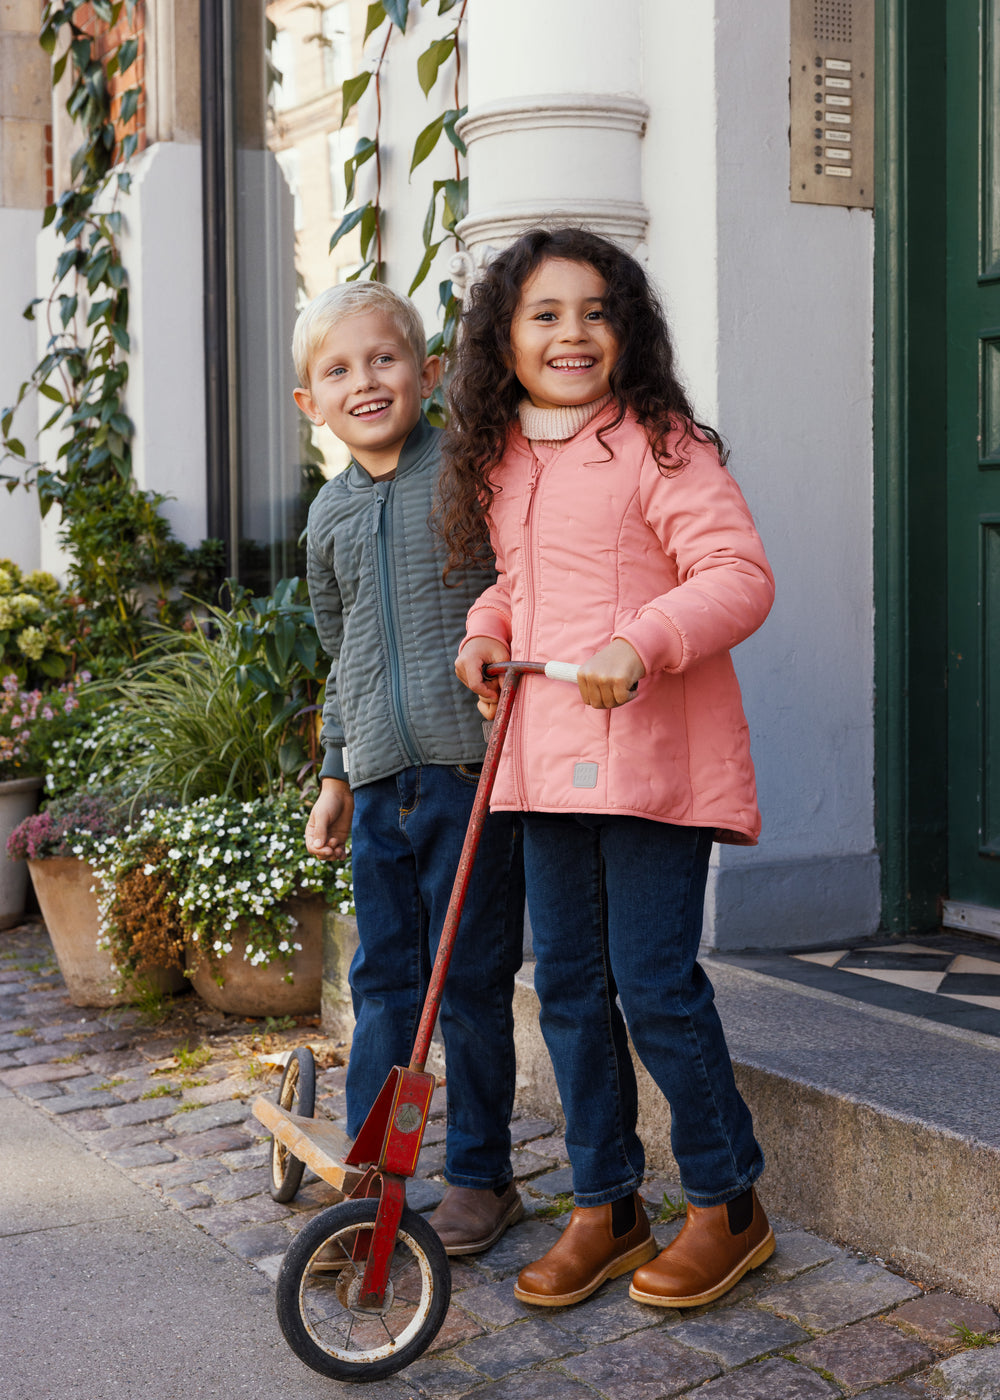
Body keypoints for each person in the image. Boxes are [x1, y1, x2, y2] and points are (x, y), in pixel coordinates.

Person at [439, 227, 776, 1309]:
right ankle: (605, 1200)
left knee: (655, 984)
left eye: (594, 310)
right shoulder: (505, 458)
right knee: (572, 988)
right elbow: (520, 584)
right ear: (505, 337)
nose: (572, 332)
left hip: (649, 764)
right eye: (544, 314)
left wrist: (645, 639)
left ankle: (727, 1202)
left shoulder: (660, 444)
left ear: (625, 328)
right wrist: (484, 633)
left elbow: (736, 574)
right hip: (542, 761)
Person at [296, 281, 525, 1255]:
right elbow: (343, 653)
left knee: (469, 979)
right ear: (310, 403)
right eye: (338, 370)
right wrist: (337, 772)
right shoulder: (327, 517)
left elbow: (517, 589)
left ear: (428, 372)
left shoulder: (467, 476)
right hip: (382, 784)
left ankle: (480, 1172)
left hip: (470, 775)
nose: (365, 381)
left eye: (384, 359)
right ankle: (366, 1171)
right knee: (384, 977)